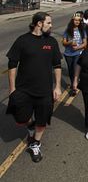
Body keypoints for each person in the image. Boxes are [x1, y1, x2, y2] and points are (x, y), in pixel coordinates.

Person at [6, 12, 62, 162]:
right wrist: (12, 89)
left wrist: (57, 86)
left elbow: (57, 65)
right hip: (23, 89)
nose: (51, 25)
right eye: (48, 23)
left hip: (44, 91)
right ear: (39, 24)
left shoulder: (51, 42)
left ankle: (35, 143)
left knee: (42, 120)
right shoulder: (22, 40)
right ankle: (30, 125)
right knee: (21, 117)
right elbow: (12, 64)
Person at [62, 14, 87, 95]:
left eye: (79, 20)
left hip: (78, 53)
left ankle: (74, 87)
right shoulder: (67, 30)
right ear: (72, 21)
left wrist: (78, 47)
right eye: (75, 20)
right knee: (70, 70)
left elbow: (85, 43)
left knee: (75, 69)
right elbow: (64, 43)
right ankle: (74, 82)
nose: (77, 21)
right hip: (68, 54)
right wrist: (70, 42)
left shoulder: (82, 31)